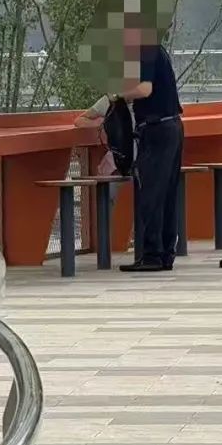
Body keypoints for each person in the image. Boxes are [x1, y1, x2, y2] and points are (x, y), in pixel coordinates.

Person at [77, 21, 182, 273]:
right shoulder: (156, 50)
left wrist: (119, 96)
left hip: (155, 130)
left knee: (150, 194)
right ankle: (166, 254)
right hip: (172, 126)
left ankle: (152, 255)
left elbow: (145, 89)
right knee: (167, 194)